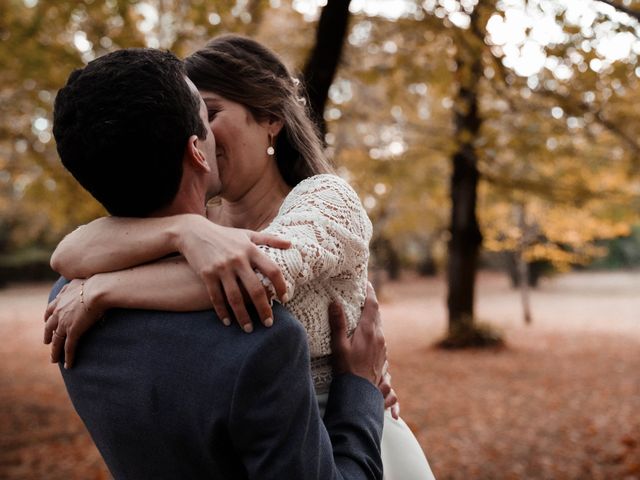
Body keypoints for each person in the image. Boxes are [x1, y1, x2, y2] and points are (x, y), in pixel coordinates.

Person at [46, 36, 435, 479]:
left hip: (359, 444)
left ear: (270, 117)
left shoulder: (326, 200)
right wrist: (183, 229)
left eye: (211, 115)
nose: (202, 133)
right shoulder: (200, 222)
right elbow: (70, 251)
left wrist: (102, 289)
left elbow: (258, 278)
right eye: (197, 122)